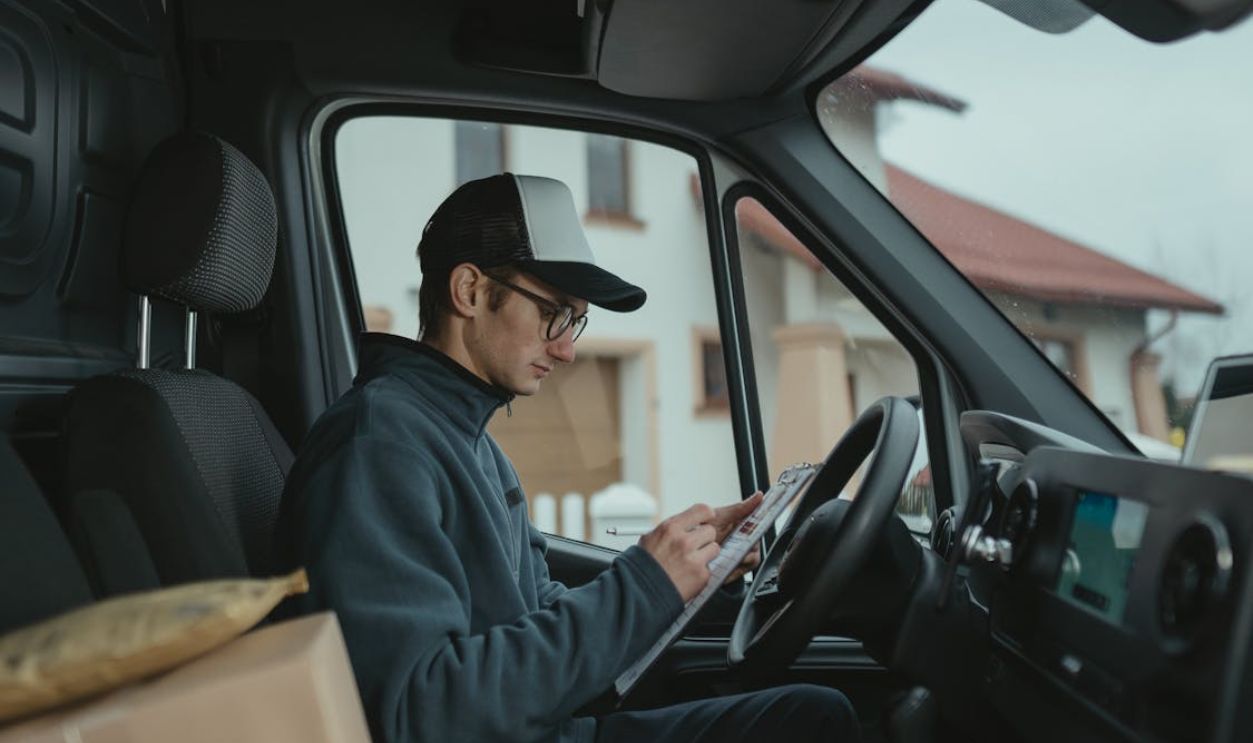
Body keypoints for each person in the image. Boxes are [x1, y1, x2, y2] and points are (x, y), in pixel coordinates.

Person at [275, 174, 858, 743]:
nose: (568, 347)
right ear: (470, 292)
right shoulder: (380, 446)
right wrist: (643, 585)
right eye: (554, 312)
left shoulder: (468, 441)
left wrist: (690, 578)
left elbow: (535, 613)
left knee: (812, 713)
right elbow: (421, 710)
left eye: (575, 320)